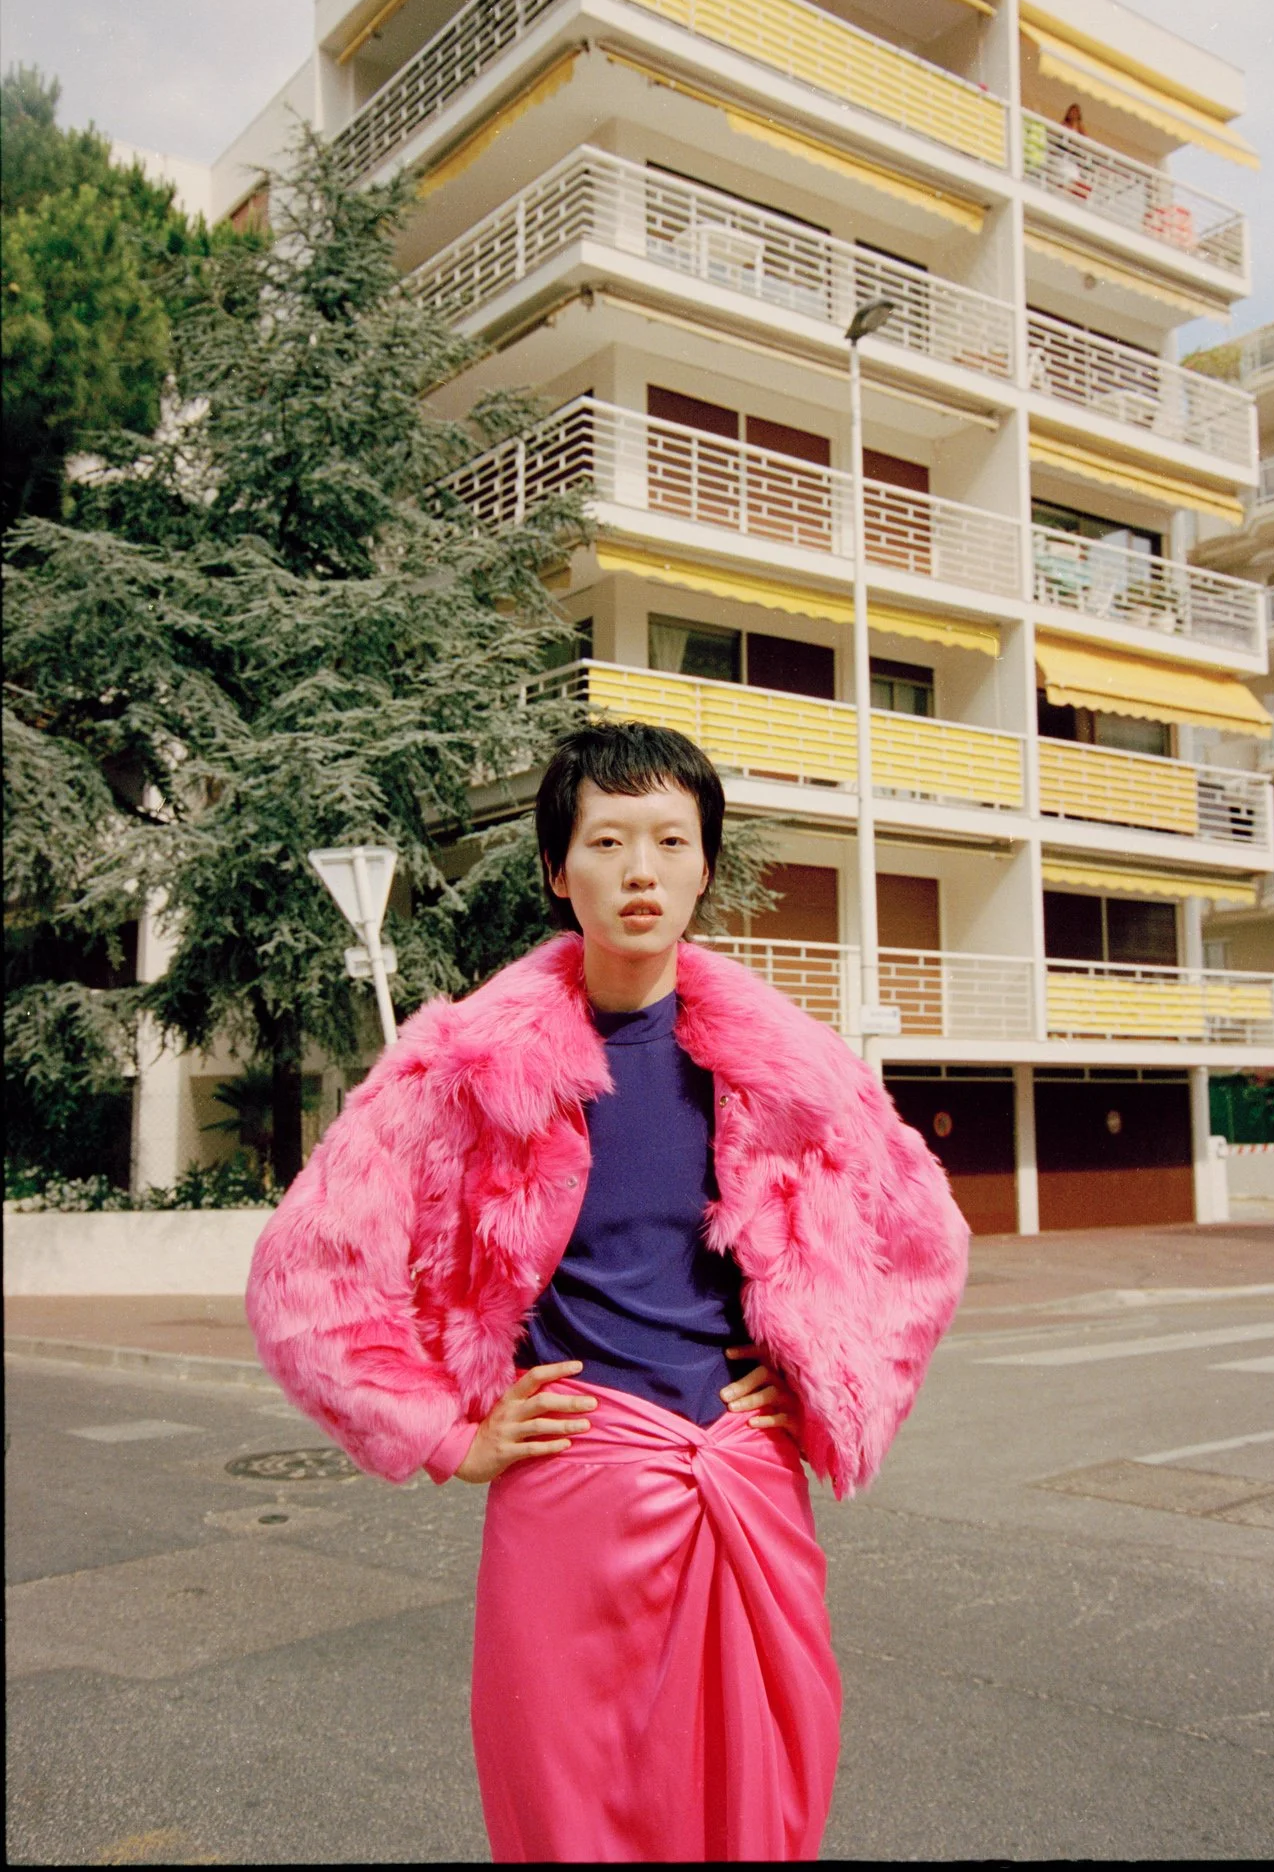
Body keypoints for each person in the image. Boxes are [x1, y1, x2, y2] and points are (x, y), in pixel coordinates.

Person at [246, 722, 970, 1863]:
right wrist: (446, 1430)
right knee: (573, 1807)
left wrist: (829, 1381)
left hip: (746, 1480)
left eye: (672, 839)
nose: (642, 868)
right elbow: (307, 1275)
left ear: (704, 867)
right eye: (609, 838)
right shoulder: (469, 1064)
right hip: (570, 1488)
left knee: (767, 1793)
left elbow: (921, 1238)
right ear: (556, 867)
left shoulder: (792, 1067)